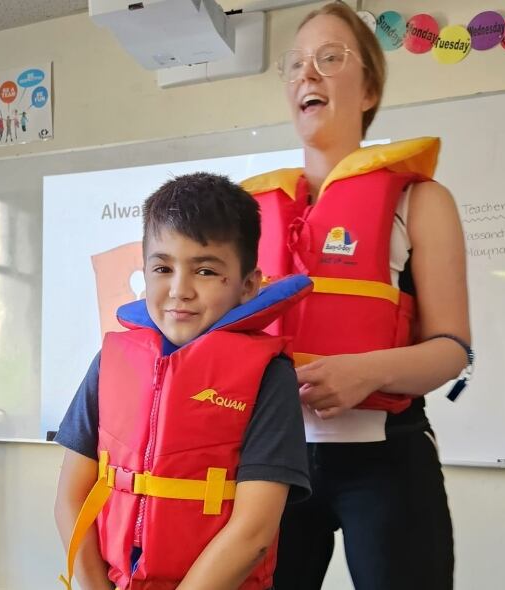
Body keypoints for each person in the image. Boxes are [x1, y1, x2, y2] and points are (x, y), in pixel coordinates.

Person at [241, 3, 471, 589]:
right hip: (272, 461)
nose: (306, 75)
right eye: (294, 65)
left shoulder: (420, 201)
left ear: (369, 88)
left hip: (389, 460)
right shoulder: (250, 215)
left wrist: (364, 373)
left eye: (329, 58)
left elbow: (452, 350)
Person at [54, 172, 312, 590]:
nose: (179, 290)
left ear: (249, 285)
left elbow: (253, 533)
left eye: (206, 271)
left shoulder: (269, 377)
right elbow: (70, 499)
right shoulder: (110, 363)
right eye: (162, 268)